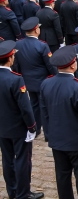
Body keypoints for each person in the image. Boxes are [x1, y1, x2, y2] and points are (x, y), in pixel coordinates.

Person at [40, 46, 78, 199]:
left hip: (57, 140)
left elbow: (44, 112)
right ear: (73, 64)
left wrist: (48, 134)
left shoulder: (46, 84)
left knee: (62, 177)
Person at [0, 40, 43, 199]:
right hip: (18, 128)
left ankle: (12, 191)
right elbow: (25, 107)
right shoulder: (15, 79)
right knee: (23, 160)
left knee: (7, 159)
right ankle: (23, 193)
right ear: (10, 58)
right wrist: (32, 126)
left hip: (2, 127)